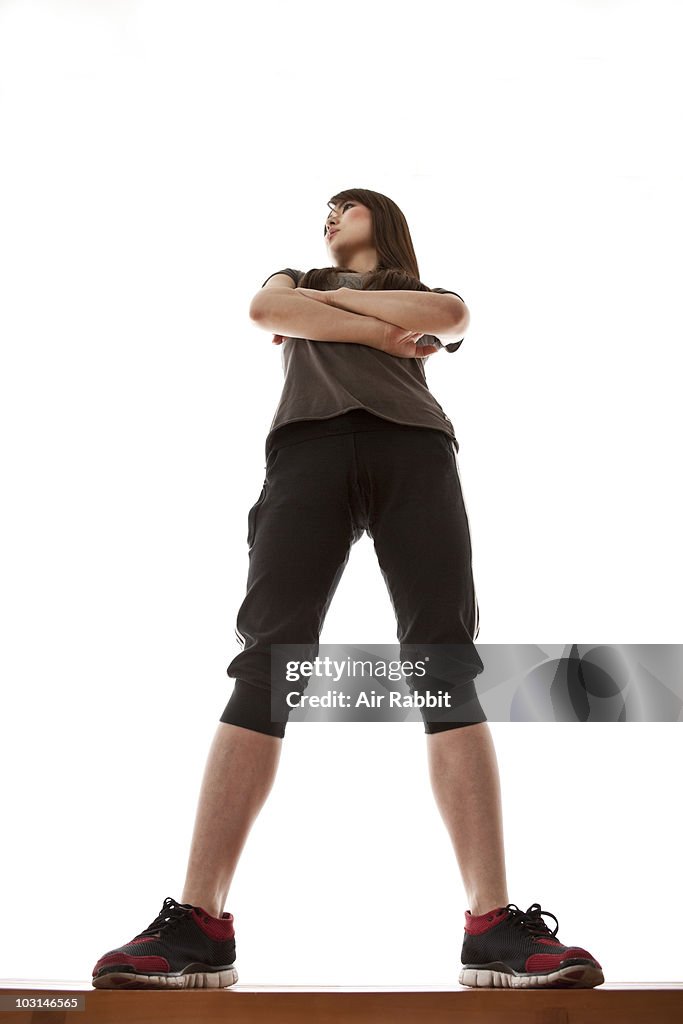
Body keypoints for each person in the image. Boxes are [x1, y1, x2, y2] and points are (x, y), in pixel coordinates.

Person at [91, 188, 604, 991]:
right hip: (305, 454)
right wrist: (381, 333)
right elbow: (266, 311)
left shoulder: (422, 292)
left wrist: (331, 315)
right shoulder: (292, 278)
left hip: (415, 452)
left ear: (383, 221)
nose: (329, 218)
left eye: (347, 207)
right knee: (268, 664)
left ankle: (491, 925)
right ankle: (198, 922)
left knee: (442, 666)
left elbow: (449, 313)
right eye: (325, 211)